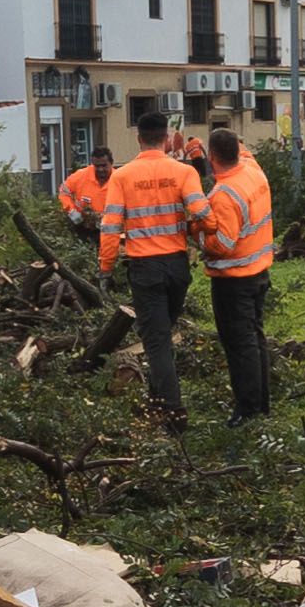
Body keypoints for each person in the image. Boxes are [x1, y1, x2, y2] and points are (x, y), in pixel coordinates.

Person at [96, 112, 205, 424]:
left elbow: (110, 226)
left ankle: (173, 410)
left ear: (138, 138)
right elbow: (201, 212)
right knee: (162, 334)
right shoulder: (184, 172)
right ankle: (156, 400)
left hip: (145, 269)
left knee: (156, 340)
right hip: (177, 268)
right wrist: (203, 242)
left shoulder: (122, 176)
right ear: (167, 137)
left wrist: (105, 267)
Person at [195, 127, 275, 422]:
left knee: (240, 346)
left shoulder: (223, 196)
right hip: (259, 271)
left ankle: (247, 410)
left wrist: (198, 235)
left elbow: (223, 246)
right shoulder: (253, 171)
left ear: (211, 156)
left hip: (234, 280)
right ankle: (261, 404)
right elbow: (243, 151)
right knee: (255, 338)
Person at [57, 147, 115, 235]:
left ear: (111, 163)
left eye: (104, 165)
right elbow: (64, 191)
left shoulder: (119, 180)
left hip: (111, 231)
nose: (100, 169)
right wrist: (71, 210)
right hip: (83, 228)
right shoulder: (81, 176)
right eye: (97, 166)